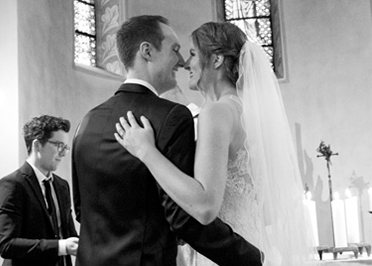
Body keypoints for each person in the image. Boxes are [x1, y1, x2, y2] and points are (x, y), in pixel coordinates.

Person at [116, 22, 316, 265]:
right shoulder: (248, 113)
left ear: (217, 60)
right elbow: (267, 210)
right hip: (252, 244)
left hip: (223, 253)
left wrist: (146, 151)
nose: (186, 63)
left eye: (192, 54)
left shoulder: (217, 112)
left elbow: (204, 205)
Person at [72, 15, 262, 266]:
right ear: (147, 51)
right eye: (176, 50)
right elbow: (183, 217)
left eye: (191, 53)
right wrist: (250, 256)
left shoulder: (87, 122)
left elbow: (81, 208)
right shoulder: (173, 116)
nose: (183, 61)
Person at [0, 115, 79, 266]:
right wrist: (61, 246)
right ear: (37, 145)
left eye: (65, 147)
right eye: (59, 145)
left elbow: (69, 235)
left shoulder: (62, 185)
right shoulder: (11, 185)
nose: (64, 153)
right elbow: (7, 244)